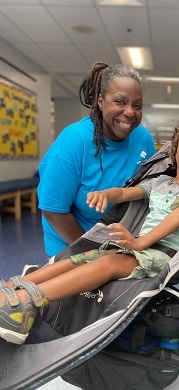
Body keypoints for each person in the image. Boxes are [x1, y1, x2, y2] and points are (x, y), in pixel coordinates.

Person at [0, 118, 179, 345]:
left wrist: (139, 243)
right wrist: (105, 194)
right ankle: (11, 288)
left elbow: (177, 216)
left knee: (108, 264)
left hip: (162, 254)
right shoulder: (160, 182)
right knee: (81, 258)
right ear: (175, 151)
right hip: (135, 248)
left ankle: (25, 302)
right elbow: (125, 194)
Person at [37, 62, 156, 258]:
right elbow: (53, 210)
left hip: (118, 242)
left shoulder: (143, 139)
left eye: (137, 105)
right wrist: (91, 251)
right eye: (120, 102)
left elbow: (149, 192)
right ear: (101, 102)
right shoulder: (74, 141)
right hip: (71, 243)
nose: (129, 112)